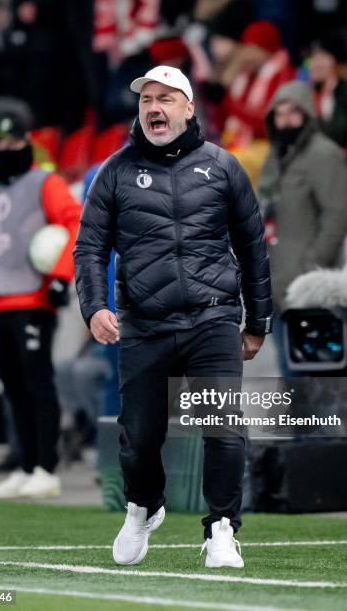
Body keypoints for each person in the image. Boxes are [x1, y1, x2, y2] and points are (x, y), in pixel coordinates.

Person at [74, 65, 272, 569]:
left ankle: (222, 529)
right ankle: (143, 507)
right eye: (146, 101)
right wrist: (95, 307)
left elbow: (253, 248)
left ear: (188, 107)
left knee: (223, 426)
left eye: (165, 99)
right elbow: (89, 249)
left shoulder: (224, 167)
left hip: (213, 318)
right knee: (139, 438)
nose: (154, 108)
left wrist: (257, 321)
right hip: (144, 323)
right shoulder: (114, 172)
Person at [0, 111, 82, 498]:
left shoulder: (44, 182)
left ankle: (46, 467)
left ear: (25, 142)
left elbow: (75, 222)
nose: (3, 149)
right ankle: (27, 463)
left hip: (31, 300)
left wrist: (62, 278)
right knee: (12, 387)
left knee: (37, 384)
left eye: (11, 142)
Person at [257, 80, 347, 373]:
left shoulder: (325, 154)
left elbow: (339, 216)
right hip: (276, 286)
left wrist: (312, 267)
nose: (285, 120)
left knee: (317, 379)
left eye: (293, 112)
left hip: (311, 290)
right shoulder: (275, 157)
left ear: (308, 115)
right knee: (291, 378)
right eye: (279, 113)